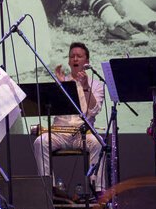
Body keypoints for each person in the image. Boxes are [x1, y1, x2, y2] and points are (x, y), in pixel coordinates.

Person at [33, 43, 106, 194]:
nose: (75, 59)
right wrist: (61, 86)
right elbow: (51, 108)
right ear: (68, 61)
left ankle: (97, 190)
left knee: (99, 143)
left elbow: (93, 111)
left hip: (83, 134)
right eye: (72, 56)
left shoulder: (96, 85)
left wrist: (85, 87)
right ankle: (48, 189)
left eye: (79, 56)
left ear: (86, 61)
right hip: (60, 133)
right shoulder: (62, 82)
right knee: (40, 142)